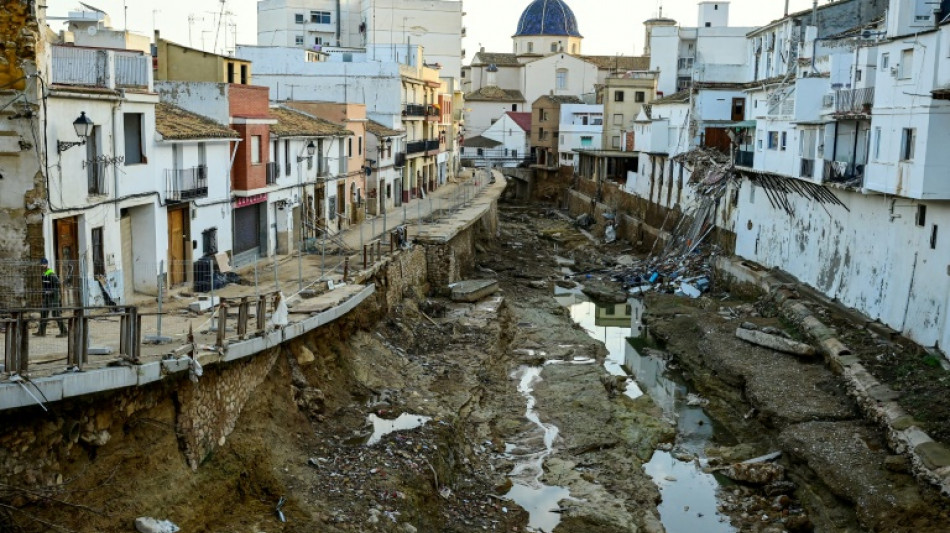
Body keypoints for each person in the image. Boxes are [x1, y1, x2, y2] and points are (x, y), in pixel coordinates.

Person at [37, 258, 67, 337]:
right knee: (43, 312)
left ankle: (64, 332)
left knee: (55, 313)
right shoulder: (44, 273)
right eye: (41, 264)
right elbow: (45, 285)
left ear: (46, 264)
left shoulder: (51, 274)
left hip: (54, 296)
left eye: (43, 264)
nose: (41, 266)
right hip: (47, 296)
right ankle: (41, 332)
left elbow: (58, 284)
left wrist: (52, 291)